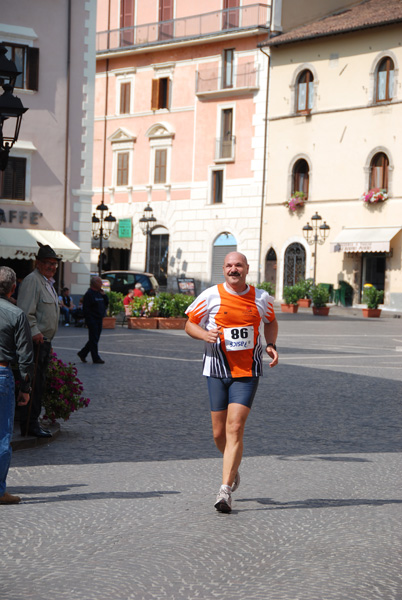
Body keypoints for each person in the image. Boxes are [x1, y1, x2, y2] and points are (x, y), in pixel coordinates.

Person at [185, 252, 279, 513]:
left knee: (235, 427)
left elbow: (271, 322)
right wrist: (205, 333)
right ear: (223, 269)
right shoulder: (210, 295)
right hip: (216, 369)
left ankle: (224, 491)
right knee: (218, 434)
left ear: (247, 269)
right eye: (228, 265)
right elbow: (189, 324)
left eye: (238, 265)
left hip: (247, 371)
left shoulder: (261, 298)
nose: (233, 269)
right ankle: (233, 465)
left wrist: (270, 344)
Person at [17, 243, 61, 438]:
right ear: (38, 263)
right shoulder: (32, 281)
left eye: (54, 263)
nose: (51, 267)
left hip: (44, 342)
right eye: (47, 263)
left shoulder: (47, 282)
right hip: (35, 342)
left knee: (39, 384)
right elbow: (26, 312)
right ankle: (29, 425)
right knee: (32, 385)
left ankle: (33, 422)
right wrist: (36, 332)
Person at [0, 267, 34, 504]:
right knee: (2, 436)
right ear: (14, 288)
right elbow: (25, 357)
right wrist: (26, 388)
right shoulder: (16, 314)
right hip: (2, 373)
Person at [77, 276, 109, 364]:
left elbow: (106, 302)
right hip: (92, 319)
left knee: (95, 338)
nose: (101, 284)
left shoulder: (99, 293)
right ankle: (96, 358)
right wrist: (89, 319)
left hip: (99, 319)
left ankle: (83, 353)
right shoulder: (89, 294)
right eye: (99, 282)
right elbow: (86, 309)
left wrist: (104, 295)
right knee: (94, 338)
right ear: (94, 283)